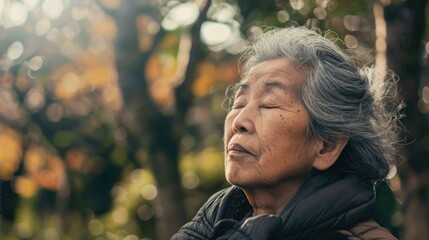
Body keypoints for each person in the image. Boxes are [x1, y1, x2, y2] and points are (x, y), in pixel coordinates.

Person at [172, 26, 402, 240]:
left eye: (269, 104)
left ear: (327, 145)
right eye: (239, 103)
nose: (239, 122)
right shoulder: (210, 224)